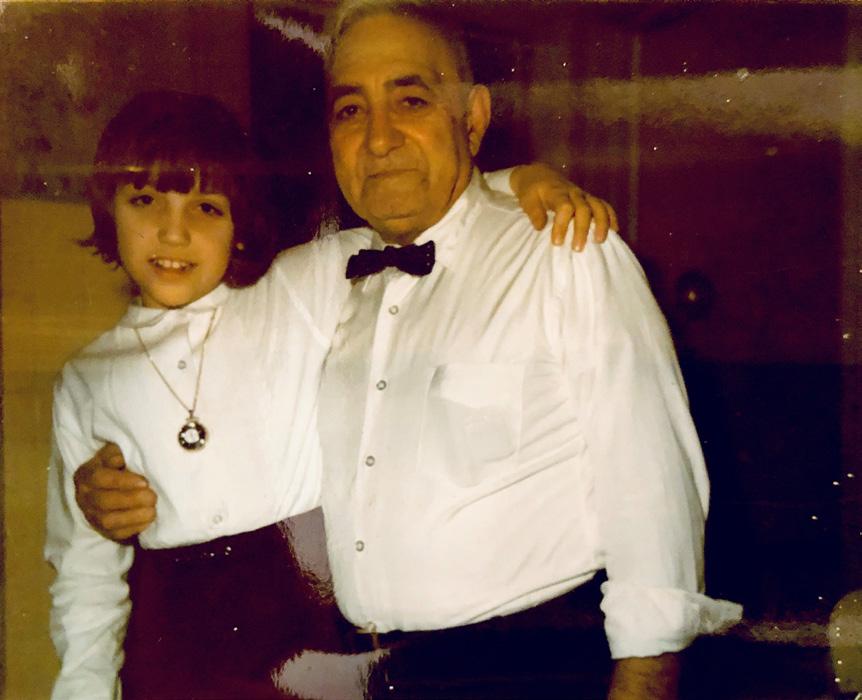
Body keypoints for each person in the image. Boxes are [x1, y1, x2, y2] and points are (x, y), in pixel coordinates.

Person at [46, 89, 617, 699]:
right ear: (108, 207)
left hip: (312, 637)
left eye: (207, 208)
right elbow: (84, 574)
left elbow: (432, 217)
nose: (173, 231)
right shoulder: (87, 378)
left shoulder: (299, 285)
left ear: (240, 226)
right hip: (173, 653)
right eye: (144, 200)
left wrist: (519, 181)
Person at [312, 2, 741, 699]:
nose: (379, 138)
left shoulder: (565, 248)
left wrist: (644, 679)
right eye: (350, 110)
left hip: (532, 669)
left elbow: (652, 492)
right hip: (364, 675)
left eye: (411, 100)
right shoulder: (322, 284)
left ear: (473, 119)